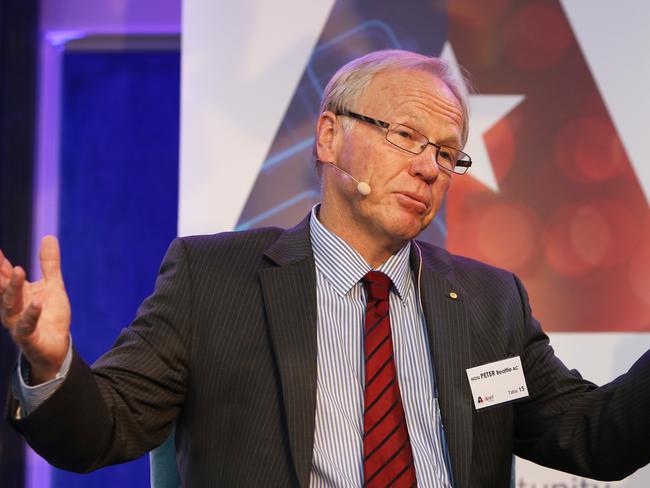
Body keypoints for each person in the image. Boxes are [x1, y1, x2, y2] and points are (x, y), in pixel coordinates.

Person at [2, 50, 650, 487]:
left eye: (448, 153)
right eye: (405, 136)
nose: (429, 166)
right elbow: (104, 429)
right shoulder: (214, 278)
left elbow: (593, 439)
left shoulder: (489, 301)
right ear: (329, 137)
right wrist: (51, 364)